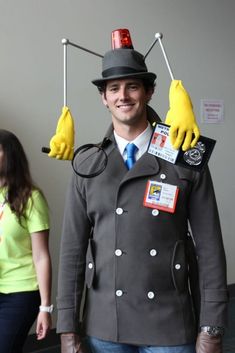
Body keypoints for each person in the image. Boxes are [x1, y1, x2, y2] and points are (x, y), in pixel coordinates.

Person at [56, 46, 228, 353]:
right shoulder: (88, 164)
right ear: (104, 98)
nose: (123, 96)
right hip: (105, 325)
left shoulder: (184, 157)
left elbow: (210, 247)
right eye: (114, 88)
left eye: (132, 86)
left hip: (170, 324)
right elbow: (72, 251)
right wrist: (68, 329)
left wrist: (211, 328)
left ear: (149, 92)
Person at [0, 129, 52, 353]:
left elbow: (41, 256)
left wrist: (45, 307)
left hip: (20, 292)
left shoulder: (31, 198)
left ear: (10, 156)